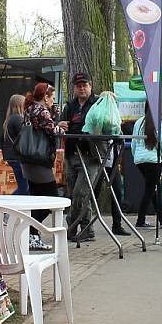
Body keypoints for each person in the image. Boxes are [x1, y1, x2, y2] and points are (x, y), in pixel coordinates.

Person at [21, 82, 64, 249]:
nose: (53, 100)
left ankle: (30, 235)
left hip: (29, 160)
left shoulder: (30, 108)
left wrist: (53, 115)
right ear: (45, 97)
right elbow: (52, 131)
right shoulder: (41, 110)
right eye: (52, 97)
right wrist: (60, 127)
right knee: (50, 199)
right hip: (39, 161)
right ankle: (30, 231)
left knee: (36, 198)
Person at [59, 72, 100, 241]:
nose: (82, 88)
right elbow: (61, 126)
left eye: (85, 85)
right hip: (71, 155)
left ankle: (70, 227)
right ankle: (87, 230)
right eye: (78, 85)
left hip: (90, 156)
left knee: (80, 193)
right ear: (74, 88)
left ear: (90, 86)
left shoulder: (98, 103)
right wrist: (59, 124)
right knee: (78, 194)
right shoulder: (70, 106)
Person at [131, 102, 162, 229]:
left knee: (153, 189)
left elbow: (133, 142)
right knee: (150, 190)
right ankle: (140, 220)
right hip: (154, 160)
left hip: (140, 160)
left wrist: (136, 157)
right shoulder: (160, 121)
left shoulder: (138, 122)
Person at [1, 94, 29, 195]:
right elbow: (25, 137)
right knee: (24, 187)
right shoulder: (18, 119)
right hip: (18, 157)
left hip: (11, 156)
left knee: (24, 187)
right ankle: (8, 208)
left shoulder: (9, 119)